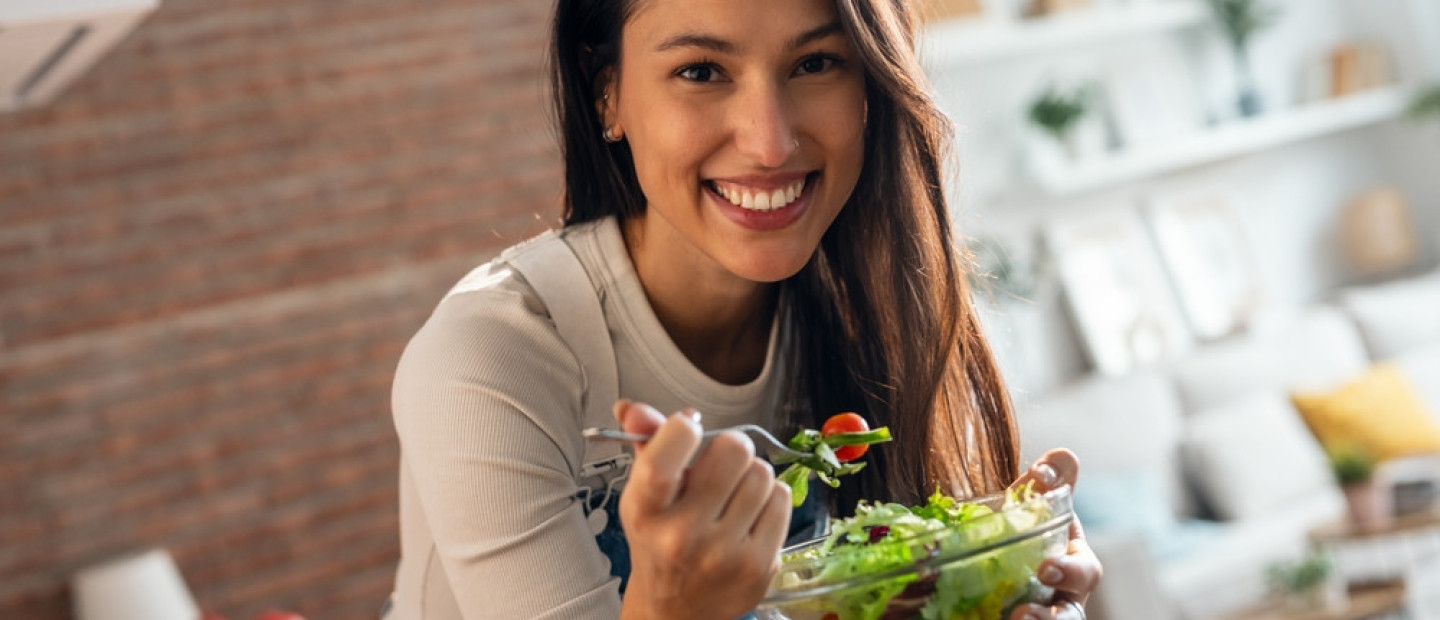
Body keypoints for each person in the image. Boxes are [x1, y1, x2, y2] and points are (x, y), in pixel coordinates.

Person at [386, 0, 1102, 618]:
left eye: (816, 62)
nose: (769, 143)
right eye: (700, 71)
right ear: (607, 92)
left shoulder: (872, 315)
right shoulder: (488, 359)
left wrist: (998, 581)